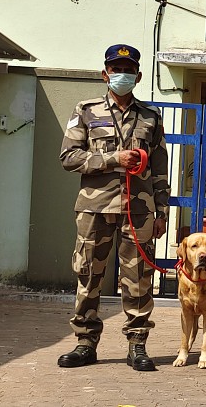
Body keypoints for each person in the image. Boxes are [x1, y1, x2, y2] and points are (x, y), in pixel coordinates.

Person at [57, 44, 169, 371]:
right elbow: (68, 158)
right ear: (105, 73)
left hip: (139, 209)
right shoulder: (86, 110)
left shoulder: (150, 116)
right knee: (89, 274)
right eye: (116, 68)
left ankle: (137, 344)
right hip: (95, 208)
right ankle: (85, 343)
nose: (123, 74)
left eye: (129, 69)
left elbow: (160, 168)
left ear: (138, 75)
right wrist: (111, 159)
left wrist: (161, 211)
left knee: (138, 278)